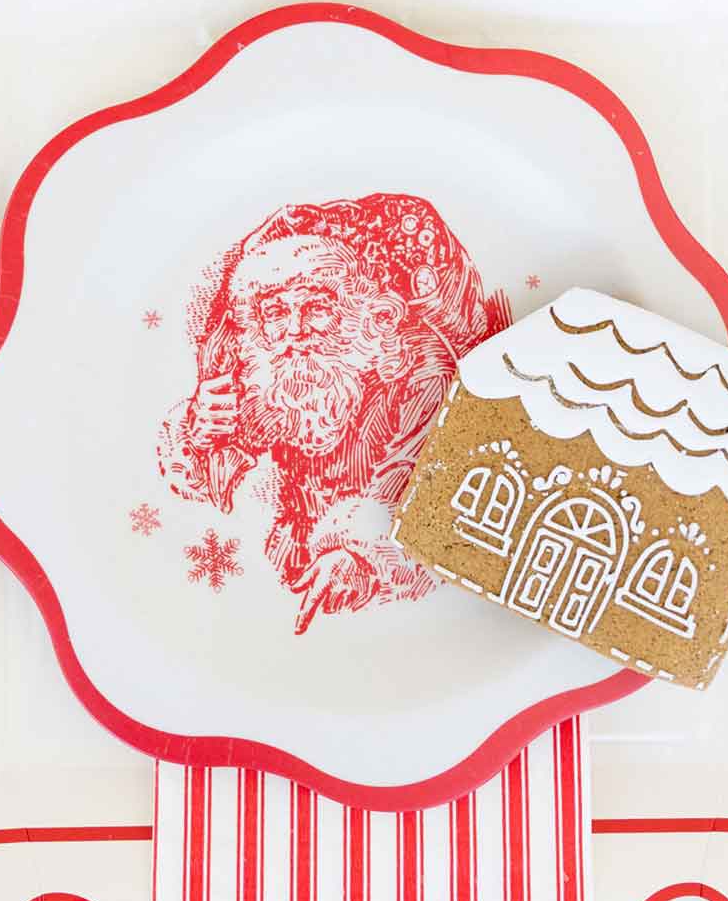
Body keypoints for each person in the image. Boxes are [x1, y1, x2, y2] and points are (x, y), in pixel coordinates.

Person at [158, 194, 506, 631]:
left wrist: (361, 556)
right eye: (275, 313)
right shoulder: (269, 371)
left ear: (371, 314)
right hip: (292, 560)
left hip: (389, 587)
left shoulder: (421, 370)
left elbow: (428, 492)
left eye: (317, 308)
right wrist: (198, 431)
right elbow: (214, 475)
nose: (295, 330)